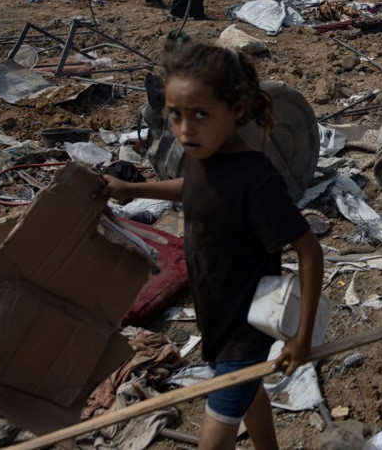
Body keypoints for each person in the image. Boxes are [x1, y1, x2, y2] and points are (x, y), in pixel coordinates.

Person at [100, 42, 324, 450]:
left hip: (246, 331)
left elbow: (309, 250)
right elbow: (194, 189)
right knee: (249, 392)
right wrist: (132, 187)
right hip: (215, 319)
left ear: (236, 111)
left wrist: (302, 337)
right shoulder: (204, 155)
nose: (185, 130)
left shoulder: (256, 180)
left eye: (200, 115)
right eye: (176, 115)